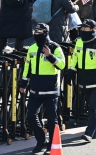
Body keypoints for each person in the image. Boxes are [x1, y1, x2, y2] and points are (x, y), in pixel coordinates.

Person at [18, 23, 66, 155]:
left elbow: (62, 65)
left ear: (45, 33)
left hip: (51, 90)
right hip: (35, 89)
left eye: (39, 32)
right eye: (36, 31)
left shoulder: (55, 47)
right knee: (31, 115)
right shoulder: (32, 48)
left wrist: (50, 56)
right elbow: (27, 67)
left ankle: (51, 144)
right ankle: (41, 140)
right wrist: (23, 84)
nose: (36, 34)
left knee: (52, 119)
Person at [64, 19, 96, 142]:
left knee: (93, 106)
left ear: (93, 29)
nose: (82, 30)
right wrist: (71, 71)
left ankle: (89, 132)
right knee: (93, 107)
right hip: (84, 80)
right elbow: (75, 57)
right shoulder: (79, 42)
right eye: (81, 28)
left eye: (85, 29)